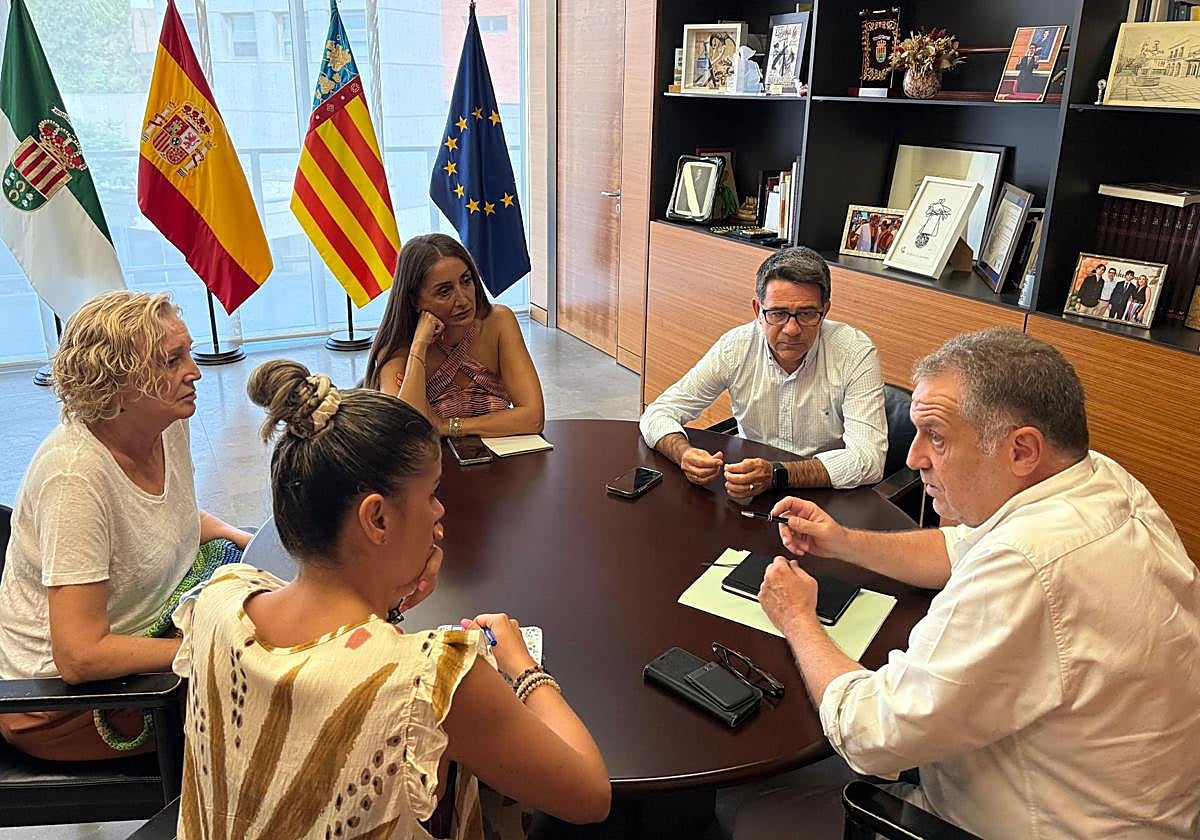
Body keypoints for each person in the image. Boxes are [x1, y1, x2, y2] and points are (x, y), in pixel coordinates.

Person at [720, 328, 1200, 839]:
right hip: (1139, 800)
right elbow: (957, 549)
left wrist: (797, 617)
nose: (914, 457)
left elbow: (868, 732)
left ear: (1021, 450)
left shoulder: (1025, 566)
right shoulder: (1097, 480)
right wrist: (840, 541)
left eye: (938, 437)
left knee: (744, 809)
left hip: (1031, 823)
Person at [172, 360, 609, 839]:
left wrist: (388, 608)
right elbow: (589, 795)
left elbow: (323, 666)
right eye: (431, 495)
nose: (440, 512)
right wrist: (524, 670)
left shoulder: (219, 600)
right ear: (377, 519)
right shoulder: (431, 678)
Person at [0, 291, 251, 761]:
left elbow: (166, 521)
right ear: (117, 383)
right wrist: (202, 644)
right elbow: (79, 656)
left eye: (189, 353)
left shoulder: (166, 422)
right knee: (277, 694)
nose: (194, 372)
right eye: (172, 360)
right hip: (60, 706)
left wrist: (249, 542)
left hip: (142, 638)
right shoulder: (74, 477)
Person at [639, 247, 886, 497]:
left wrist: (777, 474)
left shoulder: (855, 353)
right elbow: (658, 413)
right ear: (758, 311)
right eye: (778, 313)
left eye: (807, 314)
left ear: (825, 311)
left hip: (827, 492)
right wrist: (684, 454)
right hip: (752, 489)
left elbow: (869, 460)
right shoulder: (735, 347)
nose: (792, 329)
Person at [363, 234, 544, 438]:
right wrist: (418, 347)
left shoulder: (499, 322)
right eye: (444, 291)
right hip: (432, 467)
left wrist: (446, 427)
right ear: (414, 300)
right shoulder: (396, 346)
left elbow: (533, 417)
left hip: (500, 460)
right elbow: (404, 433)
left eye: (466, 281)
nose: (463, 300)